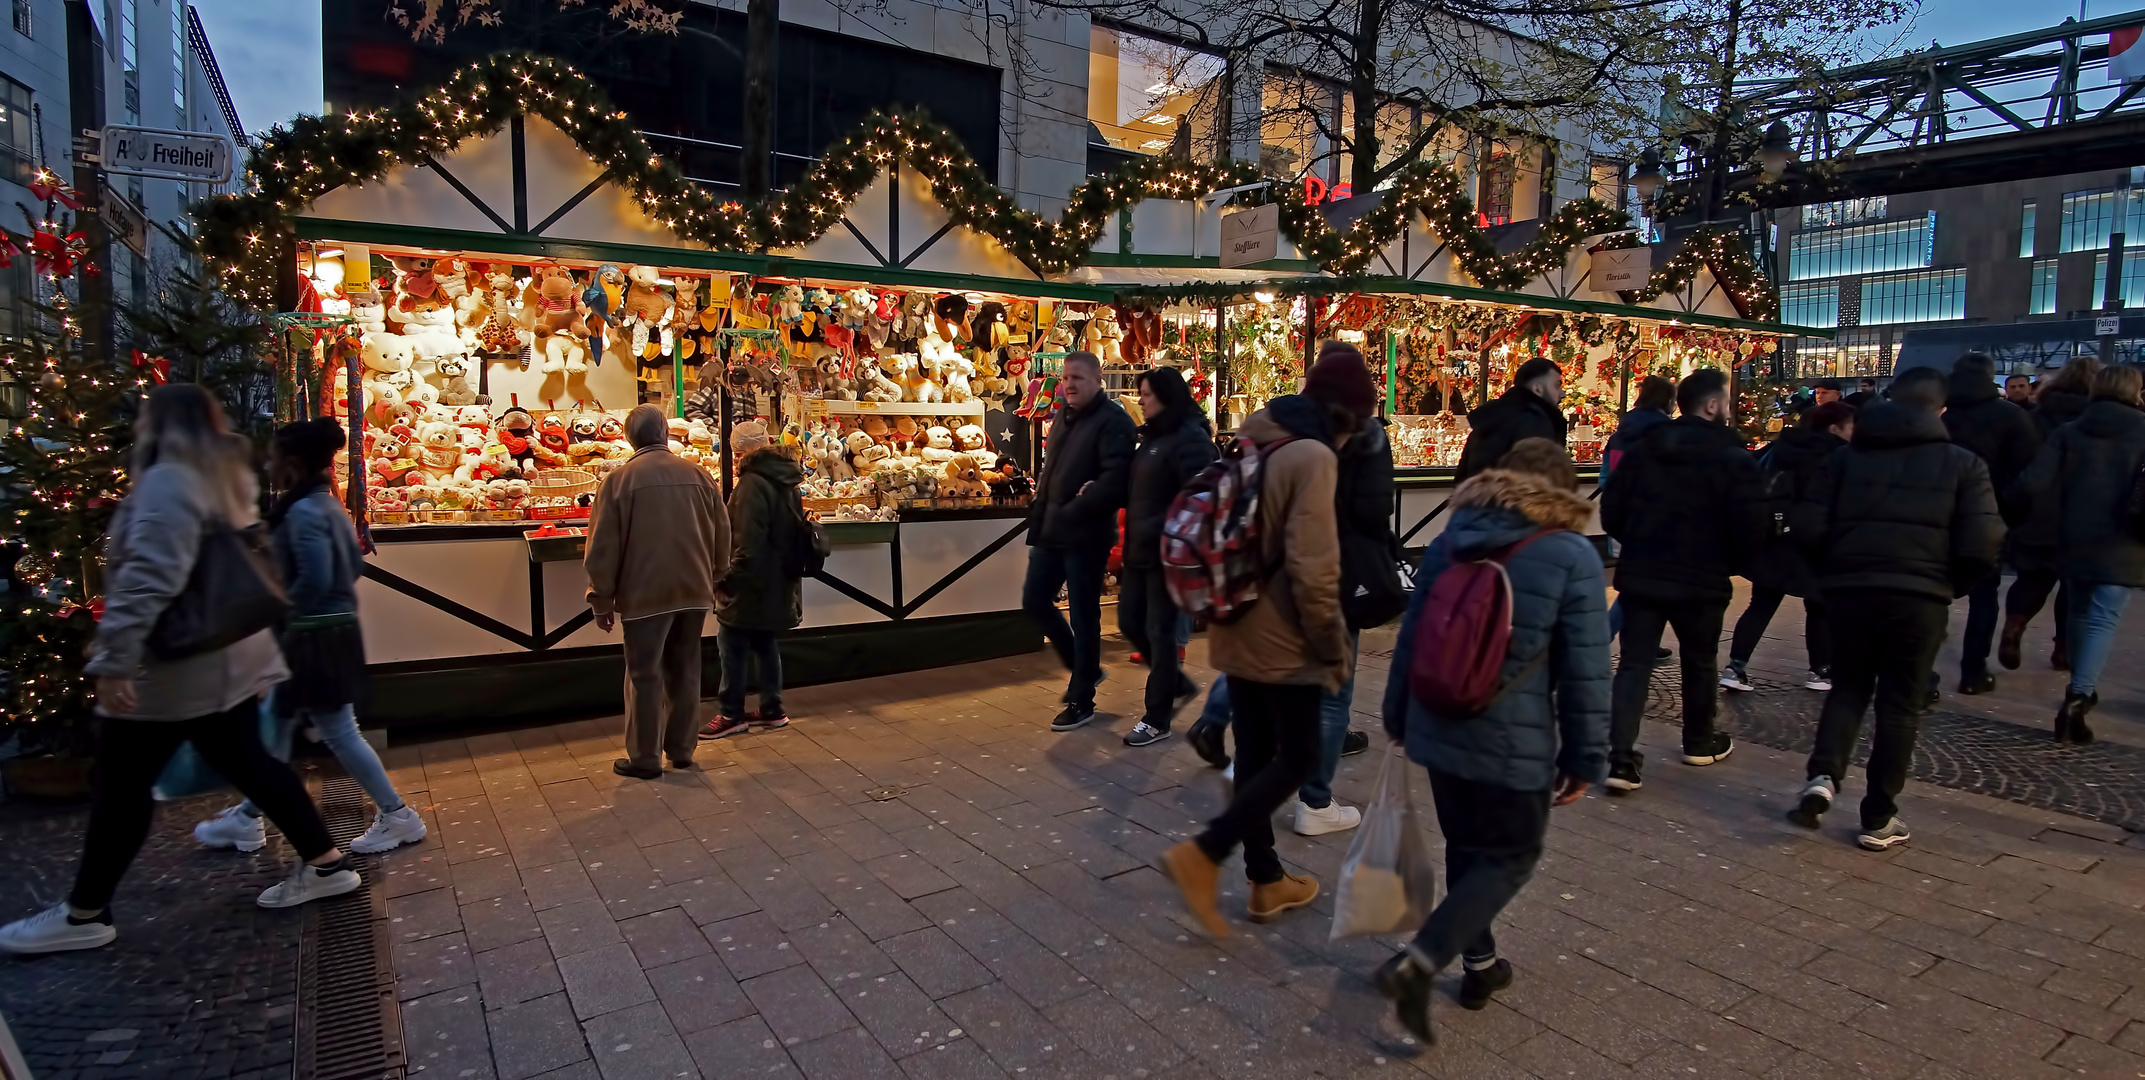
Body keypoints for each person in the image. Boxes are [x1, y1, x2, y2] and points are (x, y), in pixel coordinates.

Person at [0, 386, 360, 955]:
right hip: (229, 655)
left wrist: (117, 660)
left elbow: (149, 577)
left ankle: (84, 911)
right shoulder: (229, 477)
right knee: (252, 764)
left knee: (123, 785)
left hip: (178, 663)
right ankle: (325, 863)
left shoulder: (170, 482)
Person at [1372, 437, 1609, 1044]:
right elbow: (1585, 668)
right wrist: (1585, 754)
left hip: (1439, 724)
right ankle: (1422, 962)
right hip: (1513, 738)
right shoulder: (1569, 554)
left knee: (1468, 845)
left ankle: (1479, 964)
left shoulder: (1451, 539)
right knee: (1512, 856)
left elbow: (1411, 637)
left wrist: (1397, 713)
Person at [1159, 390, 1350, 935]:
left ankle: (1265, 880)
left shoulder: (1247, 449)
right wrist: (1330, 645)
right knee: (1298, 756)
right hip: (1284, 637)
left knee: (1256, 754)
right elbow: (1314, 565)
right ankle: (1204, 855)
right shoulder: (1311, 457)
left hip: (1234, 627)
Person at [1788, 366, 2002, 850]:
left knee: (1848, 689)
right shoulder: (1963, 465)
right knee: (1900, 706)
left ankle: (1823, 774)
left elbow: (1807, 526)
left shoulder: (1845, 460)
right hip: (1920, 596)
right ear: (1940, 410)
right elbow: (1983, 542)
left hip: (1851, 590)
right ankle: (1879, 814)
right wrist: (1949, 583)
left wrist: (1833, 573)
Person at [193, 419, 425, 856]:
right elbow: (351, 568)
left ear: (292, 462)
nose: (267, 464)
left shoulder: (302, 511)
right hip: (325, 632)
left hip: (312, 636)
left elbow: (316, 576)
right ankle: (248, 815)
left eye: (273, 457)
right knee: (278, 725)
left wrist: (270, 607)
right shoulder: (327, 504)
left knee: (336, 729)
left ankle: (397, 815)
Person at [1599, 368, 1764, 793]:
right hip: (1701, 575)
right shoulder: (1732, 456)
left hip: (1644, 570)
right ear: (1711, 405)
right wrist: (1729, 559)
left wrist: (1636, 542)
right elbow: (1750, 524)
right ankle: (1698, 739)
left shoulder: (1645, 448)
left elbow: (1612, 508)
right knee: (1699, 659)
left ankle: (1620, 758)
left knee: (1634, 663)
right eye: (1725, 401)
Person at [585, 405, 732, 779]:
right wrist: (716, 577)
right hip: (694, 590)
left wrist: (601, 598)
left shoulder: (618, 481)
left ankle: (645, 757)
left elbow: (602, 547)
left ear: (628, 437)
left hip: (644, 594)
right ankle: (682, 750)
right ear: (666, 433)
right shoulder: (699, 475)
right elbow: (722, 533)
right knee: (685, 670)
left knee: (644, 674)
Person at [2007, 365, 2145, 743]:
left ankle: (2083, 679)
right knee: (2103, 618)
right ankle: (2078, 697)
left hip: (2073, 537)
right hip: (2126, 540)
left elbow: (2032, 482)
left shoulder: (2071, 431)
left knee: (2081, 612)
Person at [1292, 343, 1388, 835]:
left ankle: (1257, 772)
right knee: (1332, 695)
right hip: (1337, 576)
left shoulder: (1288, 430)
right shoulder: (1366, 437)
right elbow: (1374, 513)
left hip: (1287, 575)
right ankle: (1315, 802)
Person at [1022, 350, 1135, 732]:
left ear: (1097, 380)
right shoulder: (1062, 418)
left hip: (1087, 534)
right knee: (1035, 601)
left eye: (1078, 379)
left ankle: (1082, 697)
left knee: (1085, 615)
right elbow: (1052, 470)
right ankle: (1085, 669)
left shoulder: (1113, 421)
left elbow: (1117, 478)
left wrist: (1084, 500)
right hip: (1052, 528)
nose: (1069, 384)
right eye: (1066, 378)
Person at [1721, 401, 1855, 694]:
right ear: (1835, 428)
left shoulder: (1782, 447)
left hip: (1774, 535)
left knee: (1762, 603)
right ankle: (1820, 670)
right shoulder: (1837, 457)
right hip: (1814, 542)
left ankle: (1736, 666)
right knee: (1819, 606)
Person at [1115, 367, 1215, 747]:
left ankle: (1156, 717)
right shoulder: (1153, 438)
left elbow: (1199, 496)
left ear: (1167, 396)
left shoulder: (1190, 438)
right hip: (1140, 549)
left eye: (1146, 394)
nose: (1139, 400)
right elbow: (1138, 487)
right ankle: (1174, 682)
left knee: (1160, 634)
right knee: (1129, 621)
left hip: (1168, 554)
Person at [1941, 353, 2042, 694]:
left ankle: (1923, 677)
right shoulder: (2011, 417)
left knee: (1934, 591)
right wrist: (2010, 514)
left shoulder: (1942, 416)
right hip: (1990, 517)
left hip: (1939, 516)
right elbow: (2028, 474)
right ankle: (1973, 670)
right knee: (1984, 595)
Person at [702, 421, 808, 739]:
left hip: (753, 581)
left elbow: (747, 541)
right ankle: (772, 708)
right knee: (765, 643)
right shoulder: (786, 478)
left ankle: (731, 713)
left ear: (741, 452)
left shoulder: (751, 485)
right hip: (778, 578)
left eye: (734, 452)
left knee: (731, 644)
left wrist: (728, 579)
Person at [2003, 357, 2099, 671]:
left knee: (2033, 578)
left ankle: (2015, 624)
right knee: (2073, 586)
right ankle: (2063, 649)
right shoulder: (2098, 419)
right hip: (2084, 514)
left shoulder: (2035, 416)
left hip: (2038, 511)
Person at [1455, 357, 1565, 481]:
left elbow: (1462, 477)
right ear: (1537, 388)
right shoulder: (1535, 423)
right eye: (1557, 386)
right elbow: (1539, 485)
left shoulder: (1491, 417)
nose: (1562, 393)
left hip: (1479, 497)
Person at [1602, 375, 1674, 484]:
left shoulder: (1618, 436)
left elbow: (1605, 478)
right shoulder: (1671, 435)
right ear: (1669, 401)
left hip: (1619, 497)